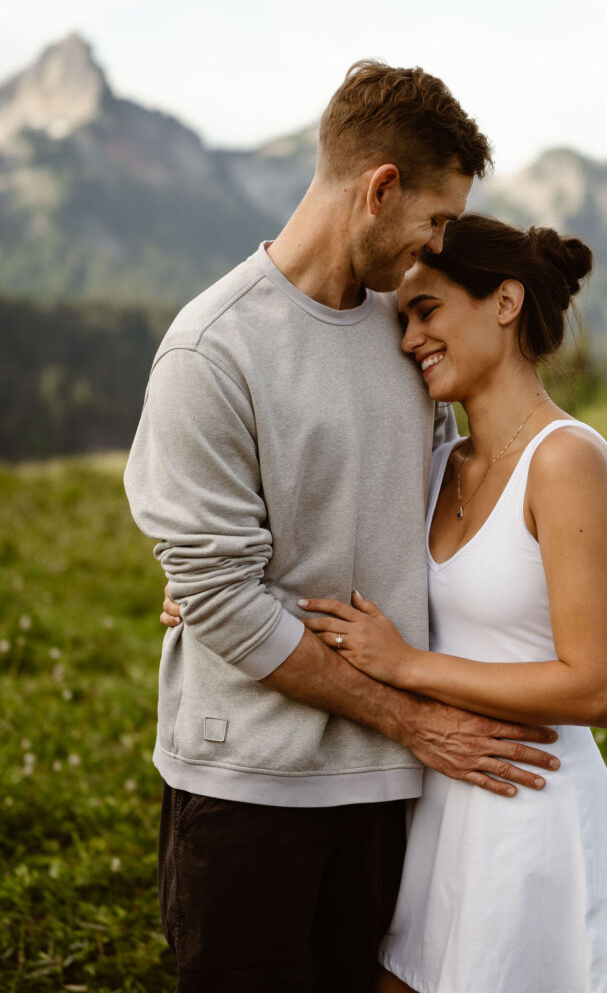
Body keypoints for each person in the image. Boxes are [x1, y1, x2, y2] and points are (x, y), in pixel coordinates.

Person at [124, 63, 560, 993]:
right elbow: (224, 594)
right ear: (381, 189)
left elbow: (424, 512)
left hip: (391, 797)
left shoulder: (408, 337)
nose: (437, 246)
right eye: (436, 220)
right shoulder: (212, 350)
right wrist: (412, 717)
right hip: (247, 792)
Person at [297, 215, 607, 993]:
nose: (408, 339)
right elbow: (328, 566)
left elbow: (596, 687)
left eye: (427, 311)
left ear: (504, 303)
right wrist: (208, 591)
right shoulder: (434, 467)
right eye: (403, 320)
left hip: (530, 815)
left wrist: (410, 667)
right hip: (434, 811)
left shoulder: (567, 460)